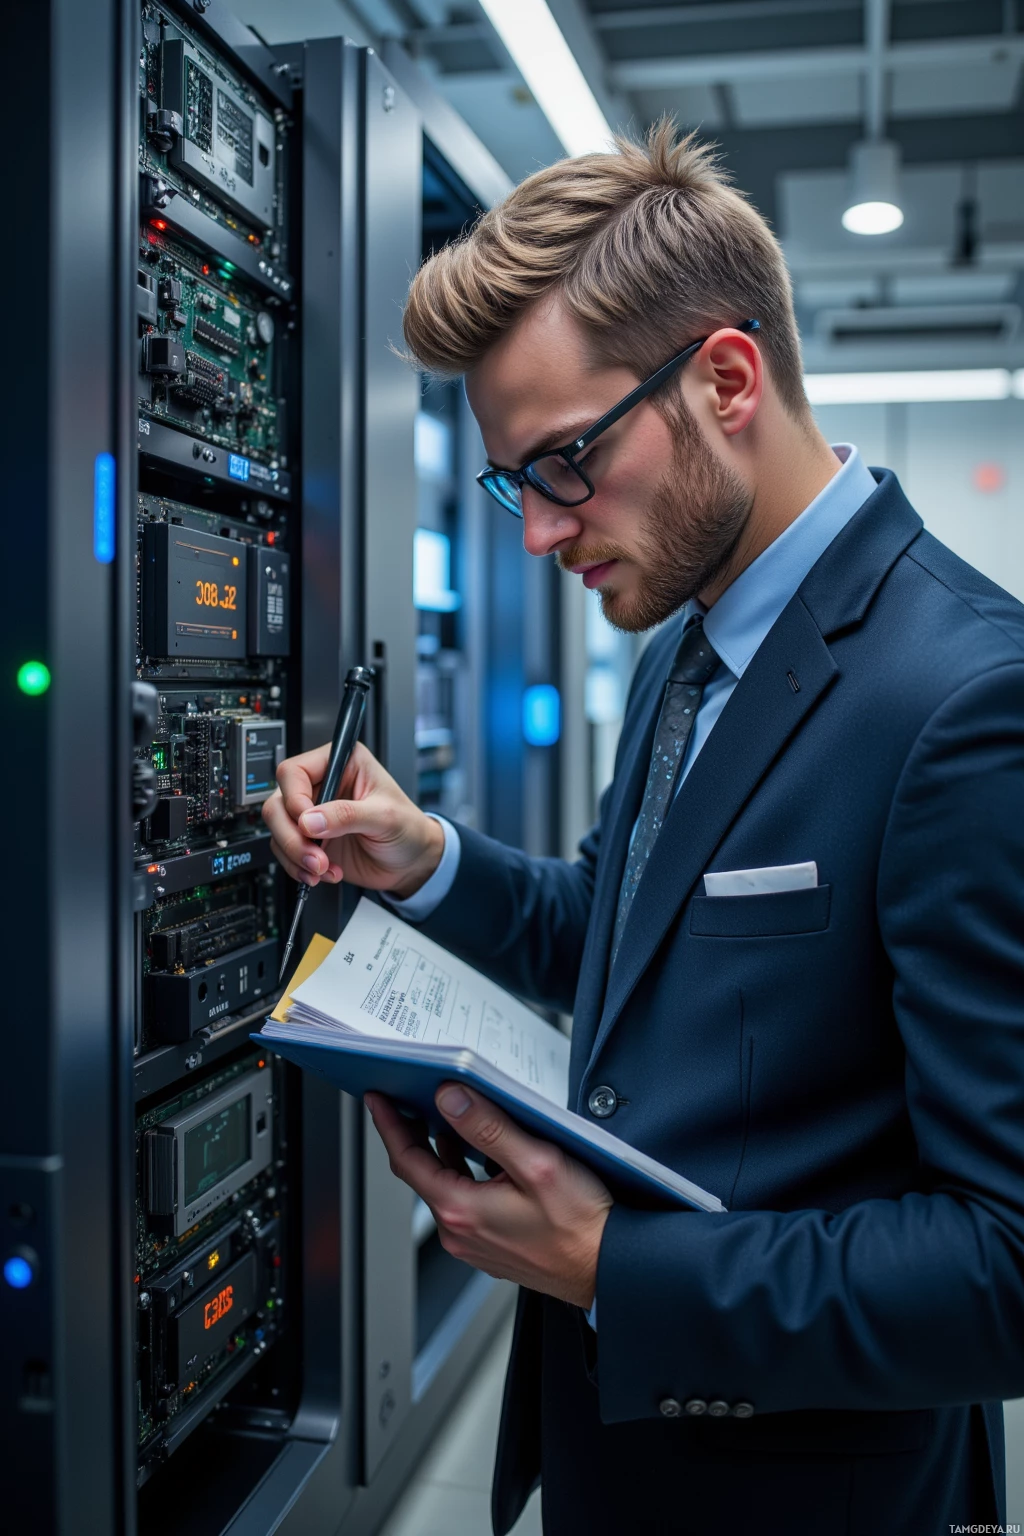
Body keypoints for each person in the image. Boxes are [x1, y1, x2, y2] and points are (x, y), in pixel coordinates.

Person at [263, 122, 1024, 1535]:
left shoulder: (969, 700)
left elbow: (1007, 1265)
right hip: (621, 1457)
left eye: (565, 464)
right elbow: (627, 931)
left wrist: (614, 1266)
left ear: (727, 380)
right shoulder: (696, 638)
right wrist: (426, 861)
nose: (540, 537)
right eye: (516, 486)